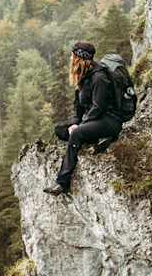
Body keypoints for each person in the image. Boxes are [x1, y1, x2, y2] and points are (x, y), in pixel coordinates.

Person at [45, 41, 122, 196]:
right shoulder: (83, 77)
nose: (70, 59)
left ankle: (62, 182)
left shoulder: (99, 78)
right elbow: (79, 109)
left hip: (109, 121)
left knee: (76, 134)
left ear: (79, 59)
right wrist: (75, 122)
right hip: (94, 119)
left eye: (72, 56)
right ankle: (96, 139)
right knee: (60, 130)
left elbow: (98, 108)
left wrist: (80, 127)